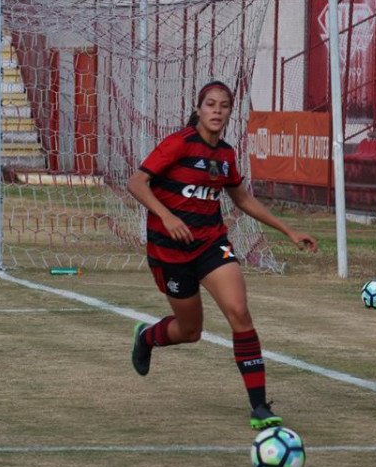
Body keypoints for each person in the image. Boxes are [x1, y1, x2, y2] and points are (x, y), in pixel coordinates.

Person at [126, 81, 317, 430]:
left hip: (211, 245)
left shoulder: (226, 155)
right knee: (190, 331)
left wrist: (288, 231)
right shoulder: (178, 144)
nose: (216, 110)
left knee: (239, 312)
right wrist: (167, 217)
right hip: (170, 251)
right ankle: (146, 337)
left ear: (230, 112)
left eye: (223, 105)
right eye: (210, 104)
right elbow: (137, 183)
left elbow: (242, 200)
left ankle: (259, 407)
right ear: (199, 110)